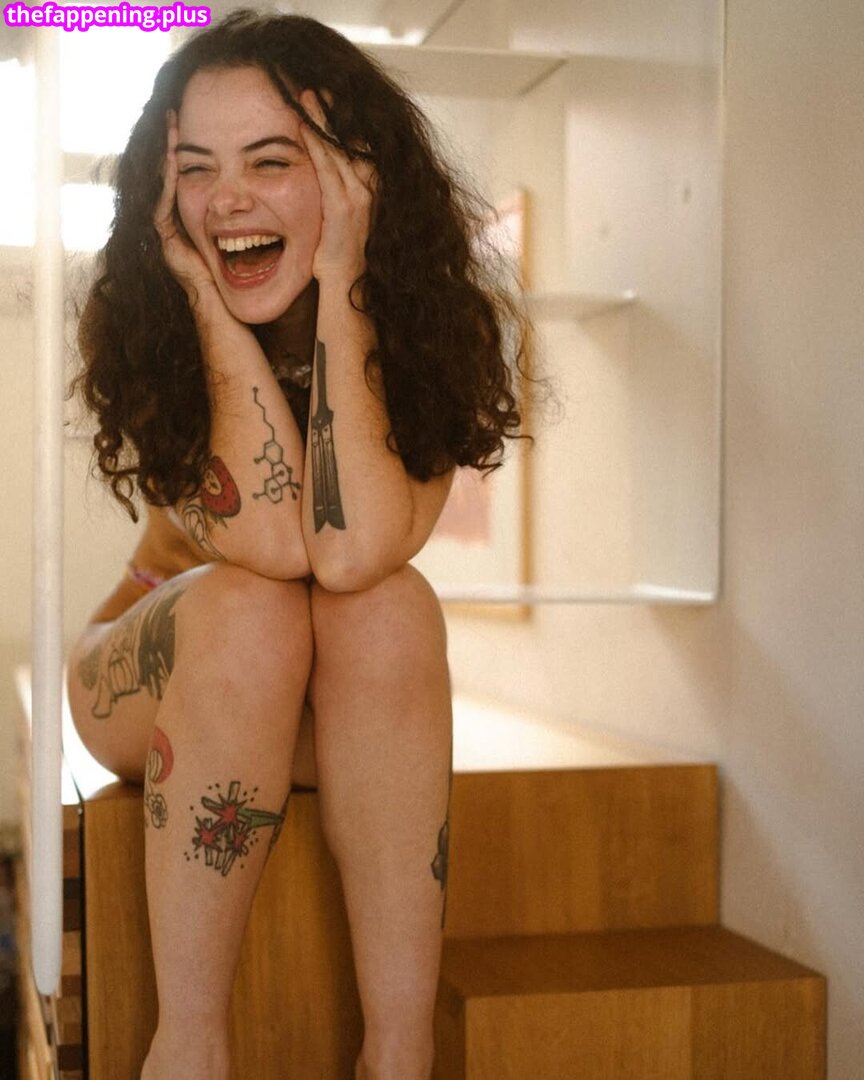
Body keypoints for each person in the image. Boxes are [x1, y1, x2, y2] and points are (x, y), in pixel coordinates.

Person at [67, 10, 527, 1080]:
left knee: (390, 605)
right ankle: (188, 1046)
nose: (227, 197)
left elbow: (354, 554)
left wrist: (347, 282)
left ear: (355, 176)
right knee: (253, 605)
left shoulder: (424, 327)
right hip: (165, 674)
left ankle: (397, 1052)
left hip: (320, 699)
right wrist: (205, 305)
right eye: (195, 168)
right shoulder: (155, 325)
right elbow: (276, 544)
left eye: (271, 161)